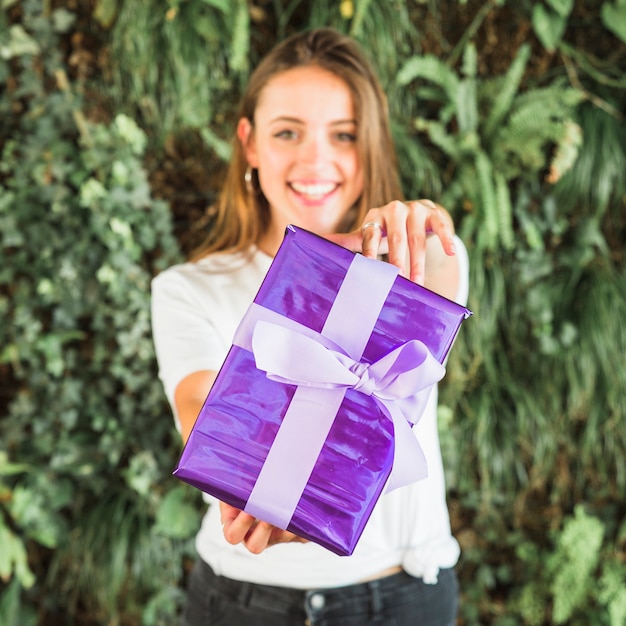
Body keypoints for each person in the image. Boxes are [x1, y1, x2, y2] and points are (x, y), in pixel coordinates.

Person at [151, 27, 469, 626]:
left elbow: (441, 258)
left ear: (370, 145)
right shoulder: (187, 289)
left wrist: (425, 220)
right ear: (248, 143)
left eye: (343, 135)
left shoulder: (407, 269)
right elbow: (199, 411)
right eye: (287, 132)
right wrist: (263, 487)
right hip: (242, 603)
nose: (316, 160)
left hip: (404, 599)